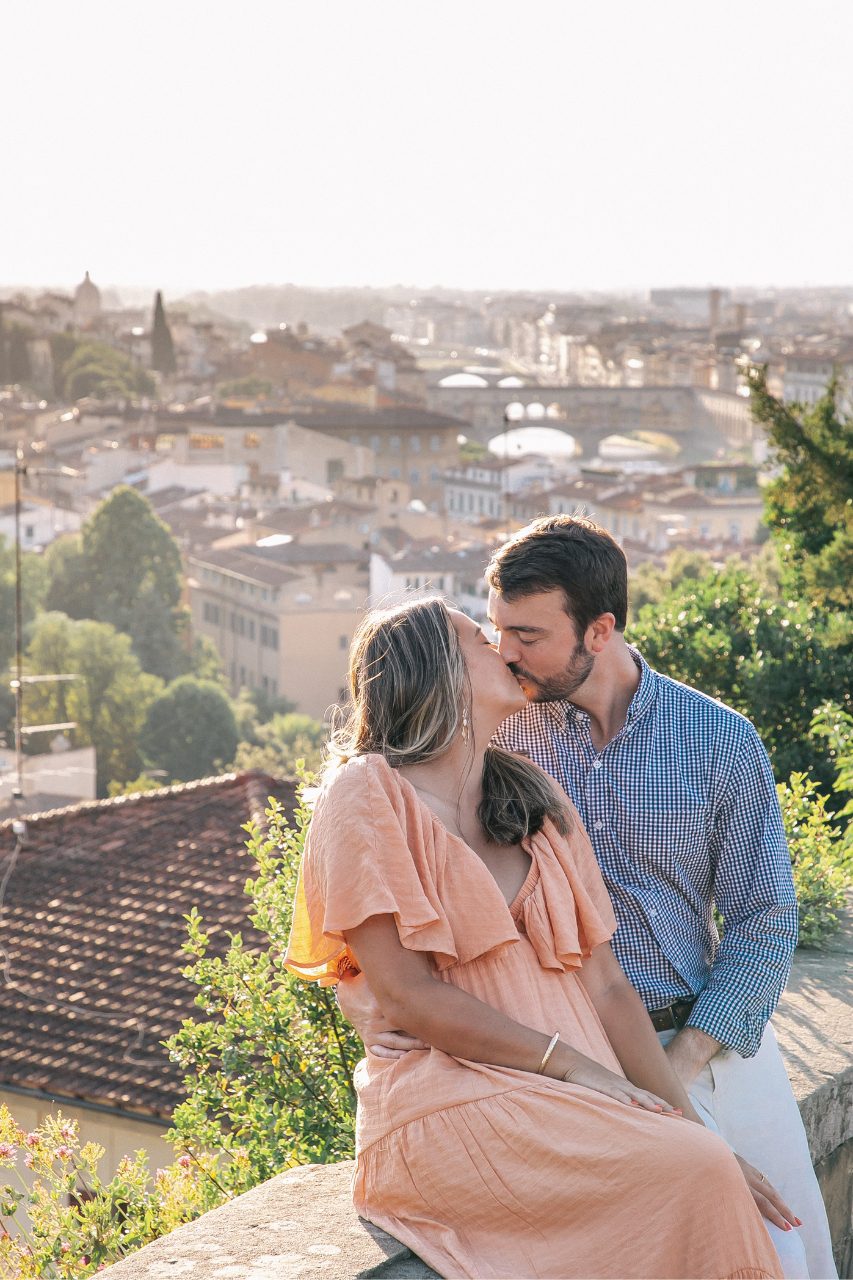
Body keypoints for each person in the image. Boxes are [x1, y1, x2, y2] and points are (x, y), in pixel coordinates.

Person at [285, 596, 784, 1280]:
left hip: (575, 1094)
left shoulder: (534, 797)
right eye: (479, 639)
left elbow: (607, 987)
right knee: (696, 1174)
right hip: (455, 1095)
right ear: (438, 674)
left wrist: (691, 1126)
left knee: (704, 1167)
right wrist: (572, 1067)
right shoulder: (368, 795)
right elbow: (404, 994)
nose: (505, 649)